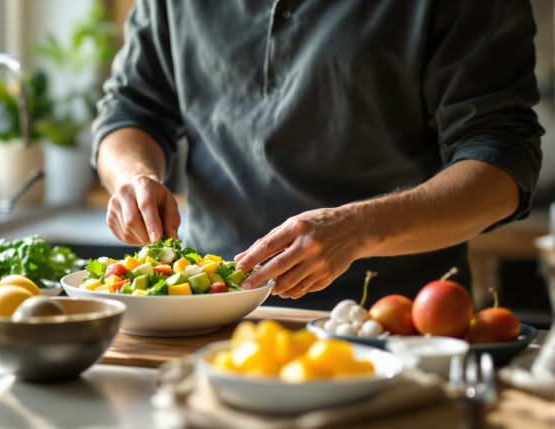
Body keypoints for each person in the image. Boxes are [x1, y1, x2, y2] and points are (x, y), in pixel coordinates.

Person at [91, 0, 544, 309]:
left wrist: (360, 229)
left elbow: (502, 163)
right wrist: (133, 175)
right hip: (212, 315)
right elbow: (132, 108)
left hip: (394, 322)